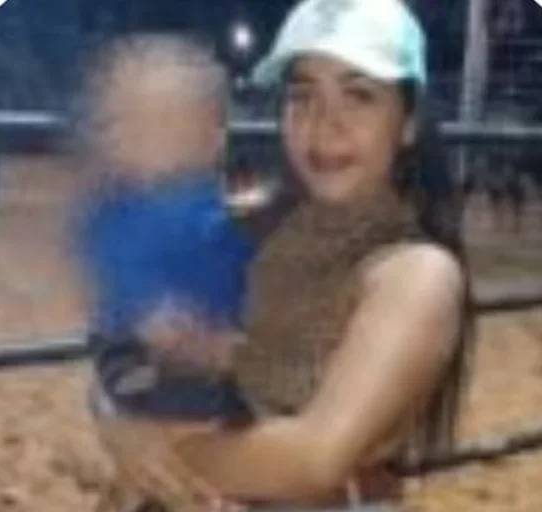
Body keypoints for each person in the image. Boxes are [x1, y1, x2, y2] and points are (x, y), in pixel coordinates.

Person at [94, 0, 474, 510]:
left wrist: (147, 450)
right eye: (302, 96)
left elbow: (314, 459)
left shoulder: (417, 274)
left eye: (359, 96)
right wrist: (114, 418)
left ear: (408, 121)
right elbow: (126, 336)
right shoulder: (258, 225)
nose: (324, 125)